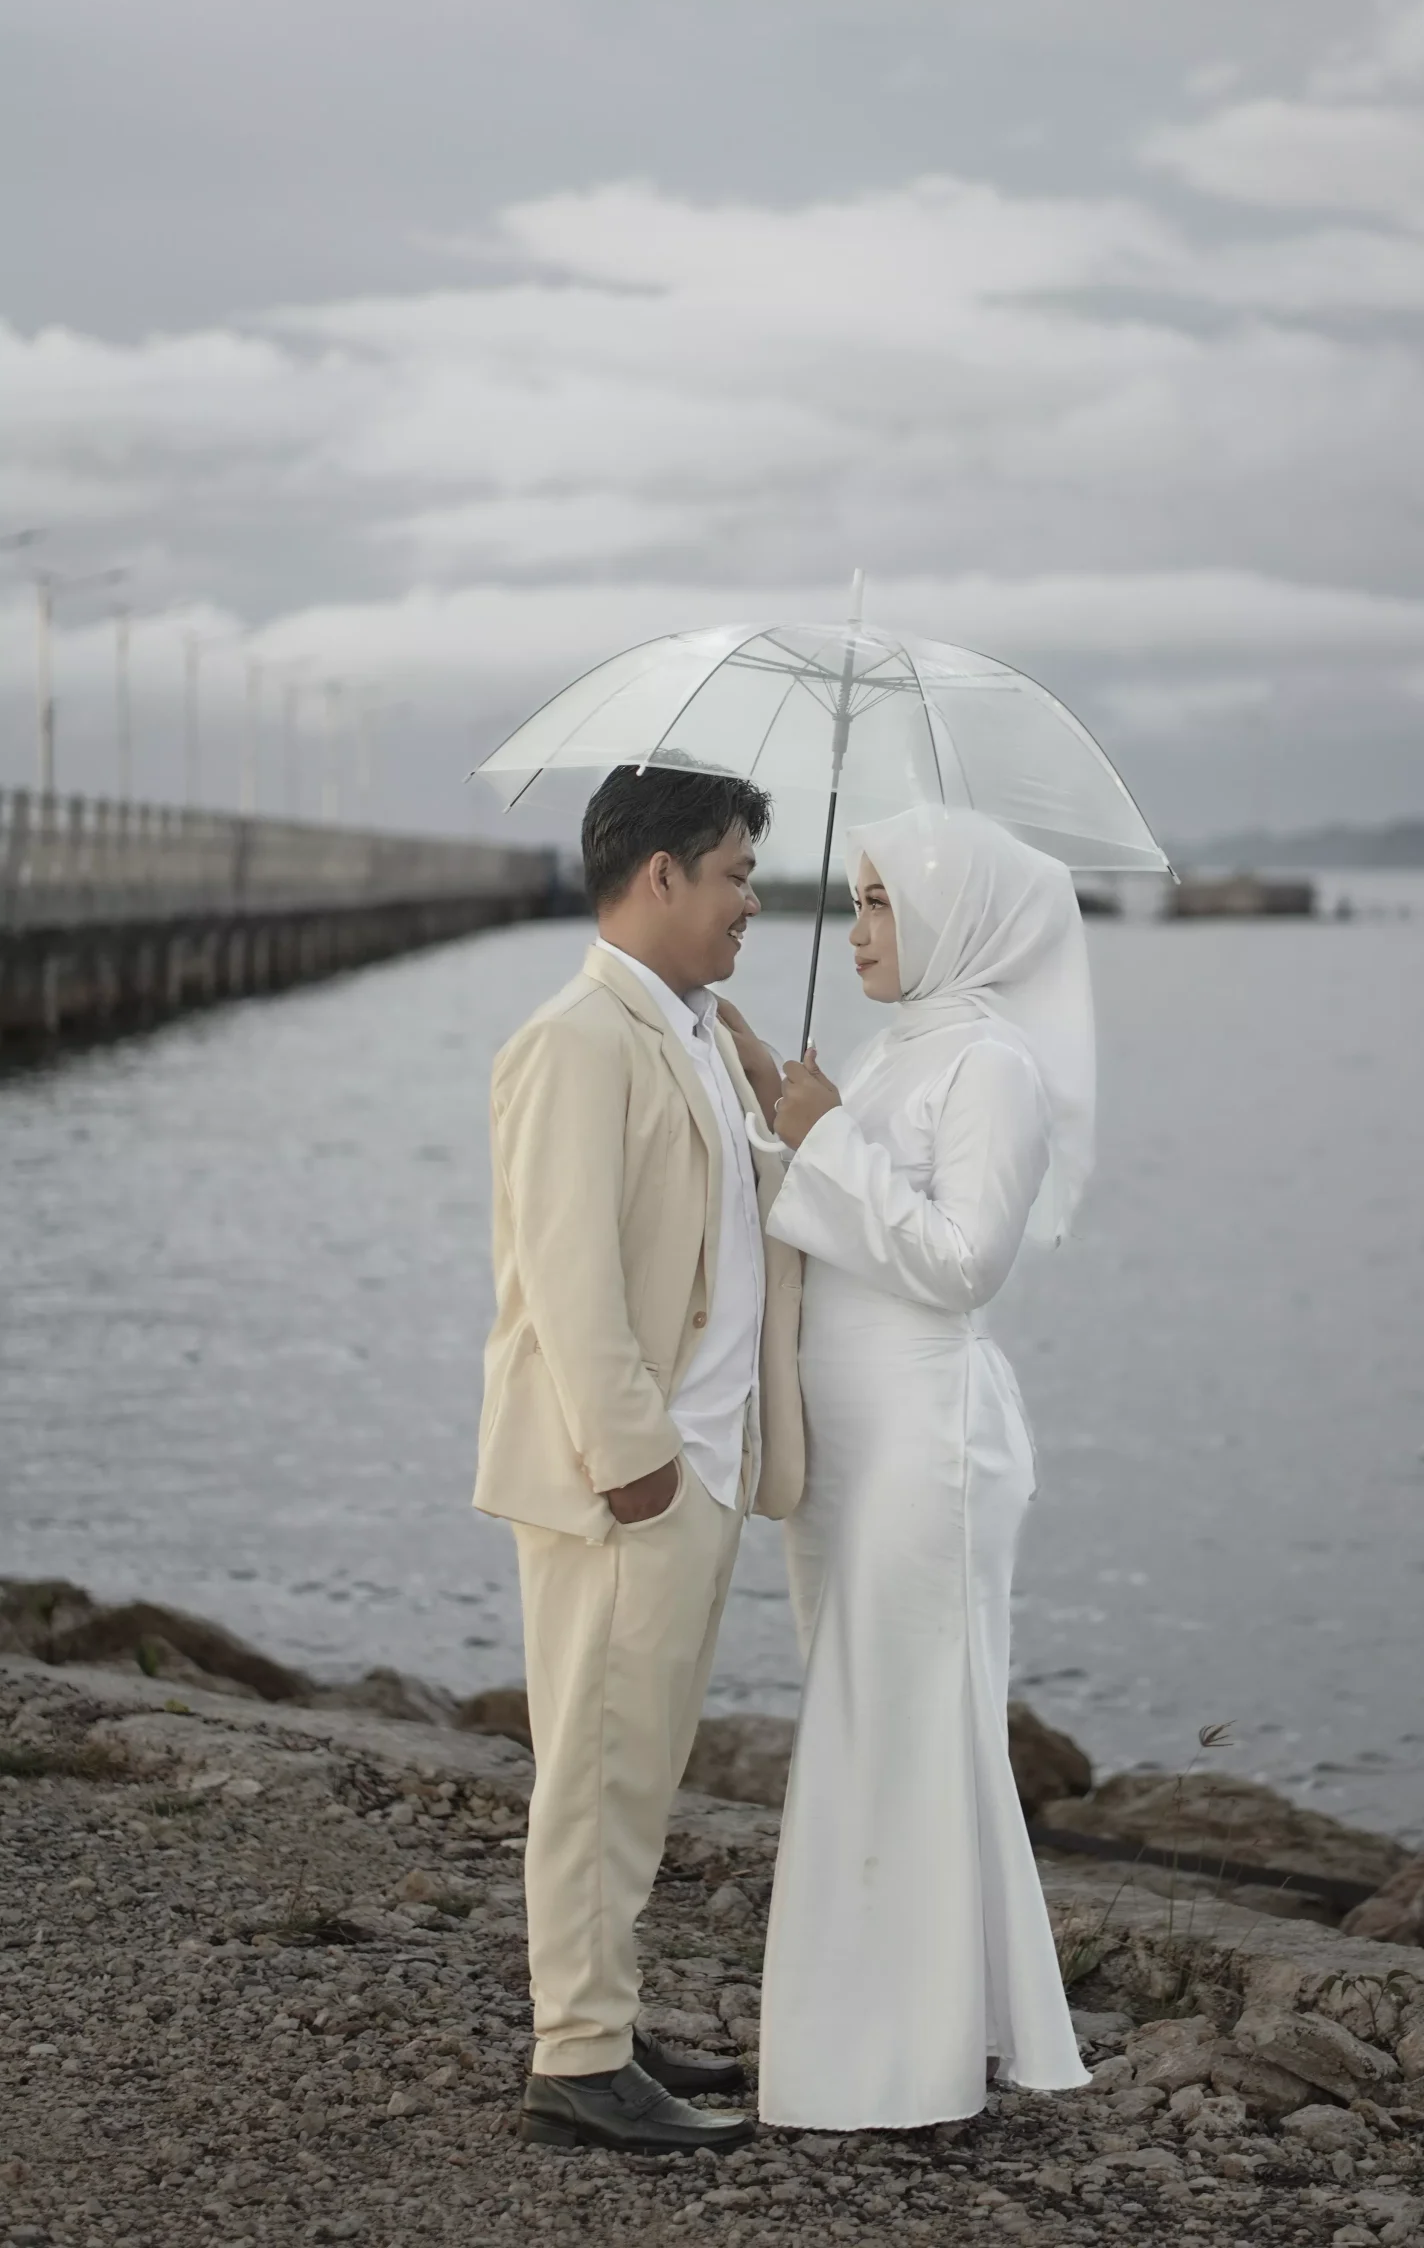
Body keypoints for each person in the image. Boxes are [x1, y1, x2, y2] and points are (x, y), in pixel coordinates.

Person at [472, 764, 803, 2156]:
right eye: (735, 874)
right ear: (660, 874)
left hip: (705, 1463)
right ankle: (578, 2060)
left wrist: (780, 1110)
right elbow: (568, 1271)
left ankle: (602, 2014)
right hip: (630, 1479)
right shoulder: (577, 1039)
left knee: (641, 1761)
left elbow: (728, 1234)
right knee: (597, 1768)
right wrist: (634, 1460)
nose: (751, 904)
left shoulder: (698, 1033)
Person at [754, 805, 1094, 2131]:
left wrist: (828, 1138)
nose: (858, 930)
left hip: (923, 1439)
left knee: (896, 1725)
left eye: (883, 902)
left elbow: (962, 1264)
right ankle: (907, 2033)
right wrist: (786, 1114)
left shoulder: (991, 1066)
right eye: (854, 901)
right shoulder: (890, 1052)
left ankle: (895, 2063)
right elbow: (834, 1214)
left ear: (954, 915)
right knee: (870, 1722)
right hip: (844, 1442)